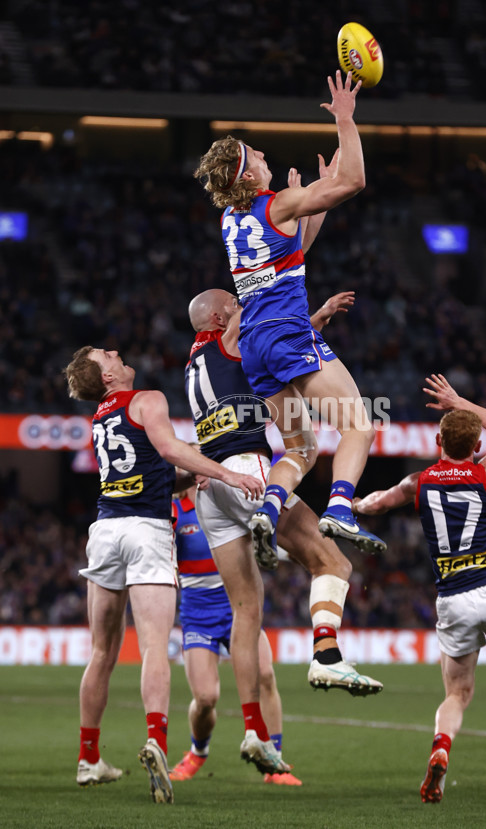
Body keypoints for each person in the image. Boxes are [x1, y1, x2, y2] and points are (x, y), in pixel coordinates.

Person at [194, 69, 385, 565]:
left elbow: (290, 254)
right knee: (359, 425)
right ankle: (340, 507)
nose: (264, 155)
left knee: (301, 450)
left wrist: (310, 206)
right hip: (285, 334)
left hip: (257, 346)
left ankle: (269, 509)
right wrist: (345, 119)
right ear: (249, 175)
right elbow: (356, 181)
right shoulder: (275, 204)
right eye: (256, 155)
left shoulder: (231, 218)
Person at [354, 373, 486, 805]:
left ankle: (440, 749)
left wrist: (351, 505)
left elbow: (379, 501)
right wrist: (458, 400)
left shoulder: (420, 482)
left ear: (437, 440)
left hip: (453, 598)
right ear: (476, 446)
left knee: (457, 693)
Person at [64, 346, 263, 804]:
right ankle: (156, 739)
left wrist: (188, 479)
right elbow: (171, 449)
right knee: (154, 645)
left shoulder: (100, 417)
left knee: (101, 653)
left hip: (105, 530)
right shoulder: (146, 398)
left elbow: (148, 472)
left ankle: (89, 758)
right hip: (147, 531)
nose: (116, 352)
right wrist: (228, 475)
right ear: (107, 376)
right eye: (106, 355)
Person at [185, 286, 383, 715]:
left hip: (212, 491)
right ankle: (327, 658)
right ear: (220, 318)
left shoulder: (197, 359)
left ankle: (255, 730)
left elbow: (262, 350)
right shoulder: (229, 335)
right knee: (333, 562)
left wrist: (317, 318)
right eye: (232, 306)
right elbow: (265, 322)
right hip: (247, 475)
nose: (241, 308)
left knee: (245, 611)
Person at [169, 485, 302, 786]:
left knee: (266, 675)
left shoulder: (228, 505)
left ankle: (273, 761)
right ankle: (197, 752)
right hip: (198, 614)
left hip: (237, 604)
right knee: (205, 698)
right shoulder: (176, 513)